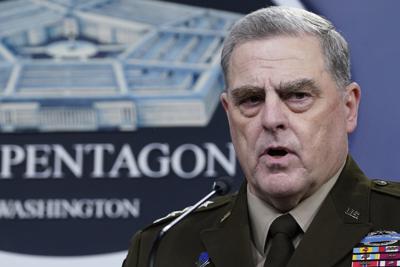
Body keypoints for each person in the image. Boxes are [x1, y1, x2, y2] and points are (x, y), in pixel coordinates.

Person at [123, 6, 400, 267]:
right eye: (252, 99)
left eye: (297, 96)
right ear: (229, 112)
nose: (271, 119)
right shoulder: (161, 248)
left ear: (348, 108)